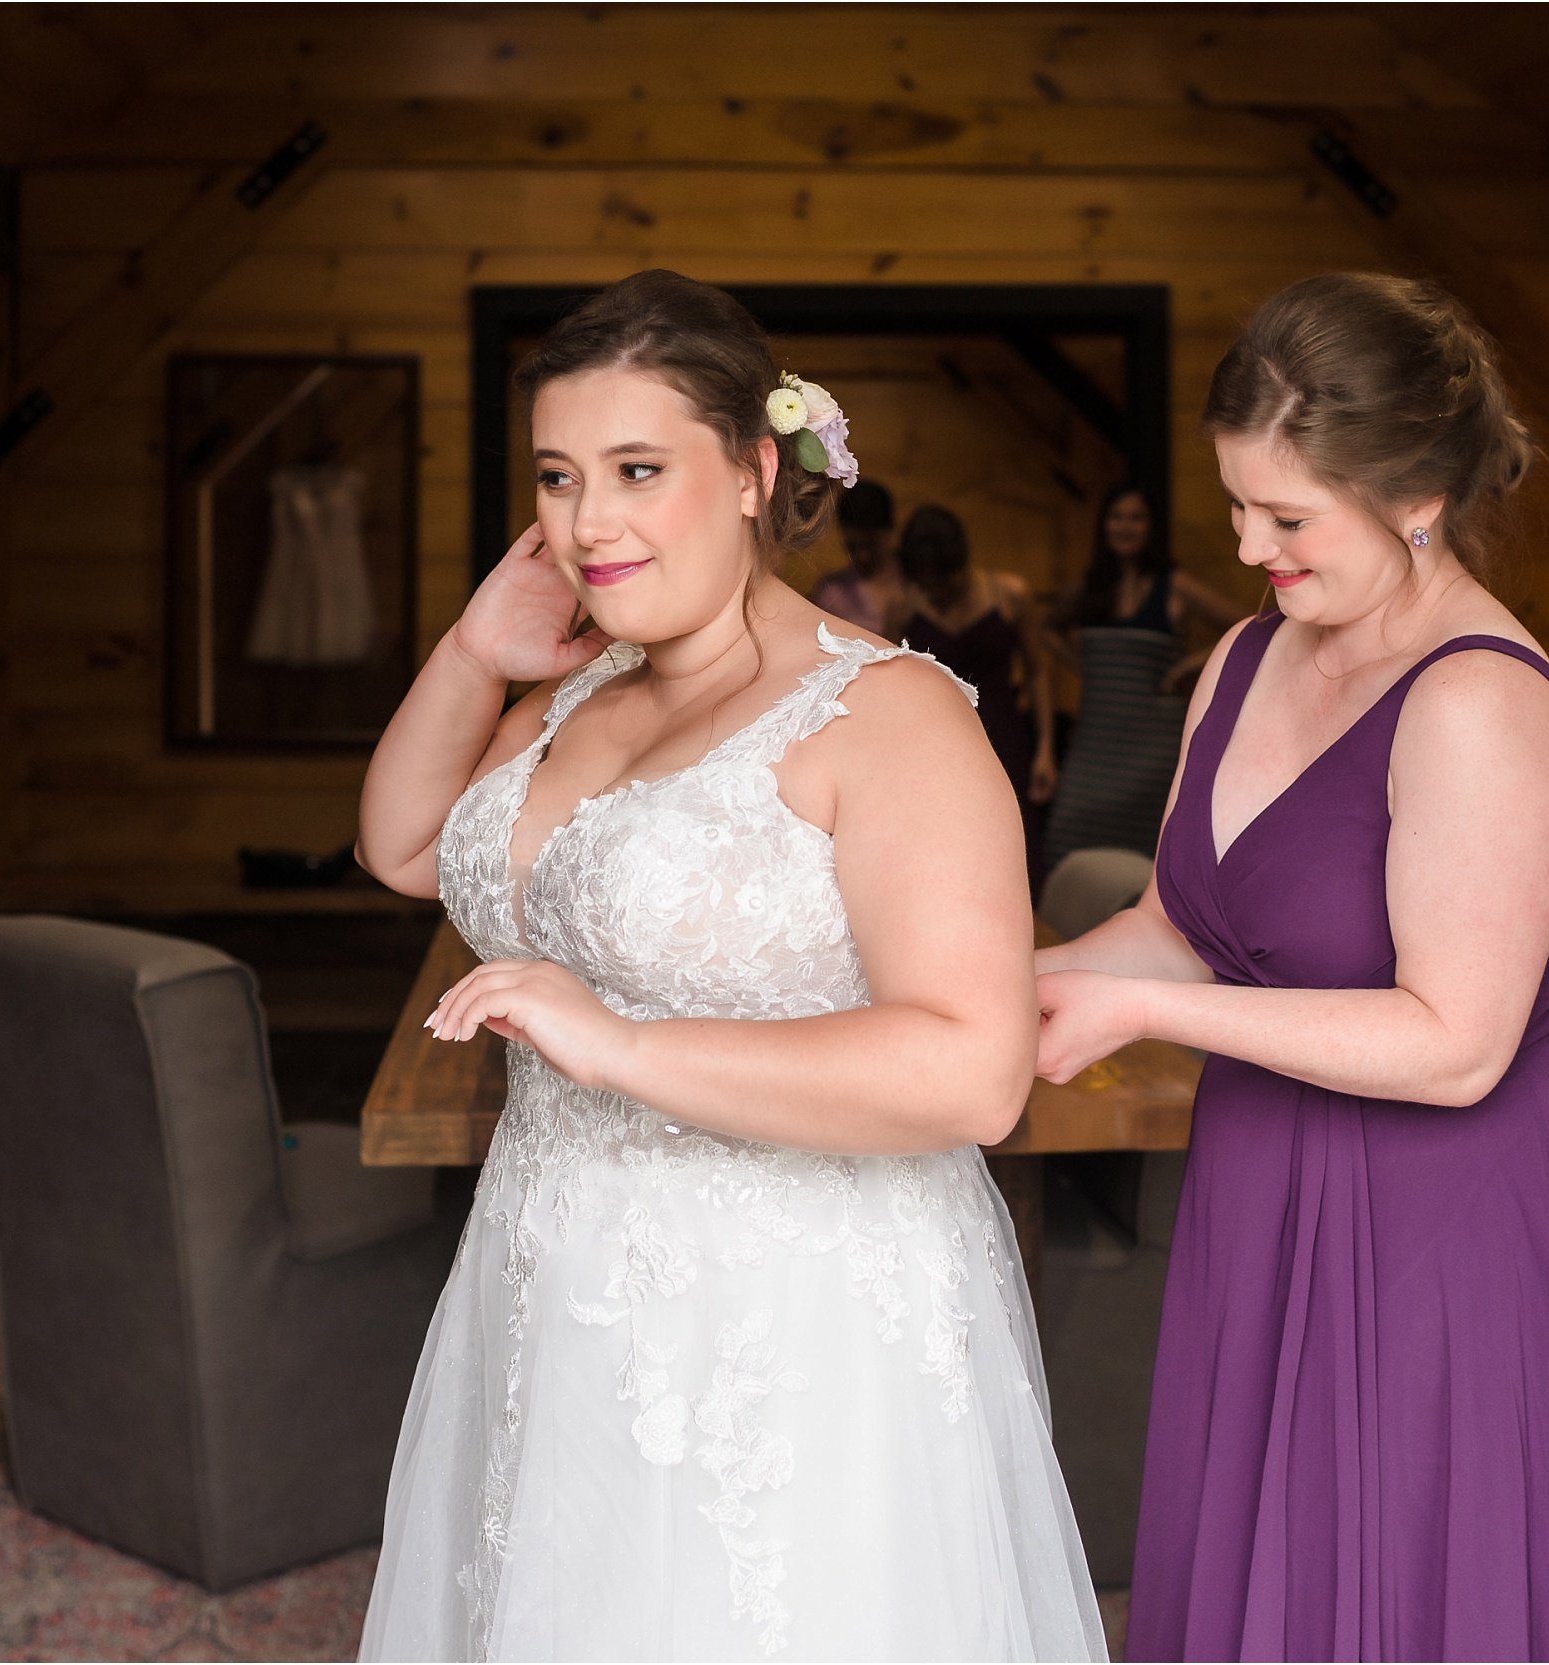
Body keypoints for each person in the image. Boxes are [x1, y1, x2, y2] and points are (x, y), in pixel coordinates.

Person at [350, 269, 1103, 1662]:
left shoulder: (889, 718)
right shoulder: (572, 689)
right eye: (561, 477)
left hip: (780, 1323)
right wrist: (472, 651)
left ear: (758, 469)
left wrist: (620, 1042)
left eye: (639, 469)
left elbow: (973, 1067)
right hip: (553, 1275)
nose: (589, 523)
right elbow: (407, 848)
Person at [1033, 273, 1549, 1660]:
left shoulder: (1478, 703)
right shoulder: (1248, 659)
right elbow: (1190, 921)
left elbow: (1456, 1040)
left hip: (1451, 1218)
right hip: (1263, 1176)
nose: (1253, 545)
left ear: (1418, 495)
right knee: (1275, 1566)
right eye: (1238, 505)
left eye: (1290, 516)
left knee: (1417, 1580)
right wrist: (1014, 979)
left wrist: (1142, 1010)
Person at [1041, 484, 1244, 876]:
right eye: (1118, 516)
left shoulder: (1174, 584)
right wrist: (1086, 668)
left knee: (1143, 864)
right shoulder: (1090, 586)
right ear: (1104, 524)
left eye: (1136, 517)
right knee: (1065, 847)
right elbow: (1046, 628)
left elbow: (1249, 624)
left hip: (1153, 749)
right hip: (1094, 746)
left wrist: (1192, 666)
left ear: (1151, 527)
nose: (1126, 526)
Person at [889, 504, 1057, 872]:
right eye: (927, 584)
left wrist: (1045, 747)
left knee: (1015, 845)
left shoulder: (1010, 593)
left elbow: (1037, 672)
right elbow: (891, 687)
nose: (938, 594)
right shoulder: (902, 610)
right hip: (935, 742)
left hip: (1005, 735)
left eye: (946, 583)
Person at [807, 475, 898, 632]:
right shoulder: (832, 593)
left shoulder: (914, 583)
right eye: (853, 547)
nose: (863, 556)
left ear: (890, 531)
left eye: (871, 545)